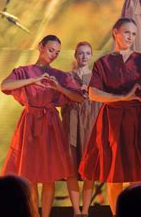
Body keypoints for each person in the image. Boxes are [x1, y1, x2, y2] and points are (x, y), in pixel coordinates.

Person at [79, 18, 141, 216]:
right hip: (112, 121)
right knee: (114, 176)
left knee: (138, 175)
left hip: (139, 121)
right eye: (127, 32)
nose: (130, 37)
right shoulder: (103, 63)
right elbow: (94, 93)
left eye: (134, 34)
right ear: (115, 33)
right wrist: (122, 96)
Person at [0, 35, 83, 217]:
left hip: (51, 123)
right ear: (40, 47)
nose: (53, 55)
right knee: (30, 176)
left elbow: (79, 97)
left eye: (57, 52)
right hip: (29, 121)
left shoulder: (60, 75)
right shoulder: (24, 71)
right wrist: (32, 81)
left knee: (48, 174)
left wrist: (58, 88)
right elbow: (4, 86)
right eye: (51, 50)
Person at [62, 41, 101, 217]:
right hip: (70, 123)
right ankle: (76, 211)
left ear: (91, 56)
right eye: (80, 53)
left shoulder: (96, 78)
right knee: (71, 168)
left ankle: (85, 211)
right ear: (75, 55)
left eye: (87, 53)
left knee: (88, 170)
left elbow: (100, 104)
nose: (84, 56)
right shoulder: (66, 77)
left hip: (89, 124)